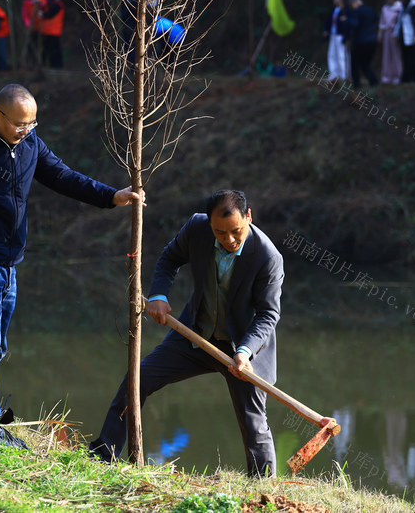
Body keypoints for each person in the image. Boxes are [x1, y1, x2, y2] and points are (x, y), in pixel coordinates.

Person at [0, 84, 143, 446]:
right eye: (19, 124)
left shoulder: (29, 144)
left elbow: (63, 176)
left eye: (31, 124)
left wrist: (111, 196)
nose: (26, 130)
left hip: (9, 264)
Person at [89, 190, 283, 477]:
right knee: (137, 379)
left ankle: (264, 486)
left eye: (236, 231)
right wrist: (158, 295)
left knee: (254, 422)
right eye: (220, 232)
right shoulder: (196, 228)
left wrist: (244, 352)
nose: (229, 239)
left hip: (243, 351)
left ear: (248, 217)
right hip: (195, 336)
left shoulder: (267, 257)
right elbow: (170, 258)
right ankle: (104, 454)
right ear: (209, 224)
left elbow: (268, 314)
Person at [347, 0, 379, 89]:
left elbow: (354, 24)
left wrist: (346, 21)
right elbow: (376, 18)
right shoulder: (370, 9)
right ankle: (375, 83)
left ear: (354, 3)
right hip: (372, 40)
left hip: (361, 41)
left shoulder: (356, 11)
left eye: (351, 6)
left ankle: (356, 86)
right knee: (365, 65)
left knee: (355, 65)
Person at [378, 0, 403, 84]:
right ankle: (386, 75)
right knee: (386, 54)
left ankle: (397, 75)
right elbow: (382, 22)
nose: (388, 0)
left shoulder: (399, 7)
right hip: (387, 33)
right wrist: (380, 34)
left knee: (396, 54)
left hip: (395, 32)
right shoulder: (385, 8)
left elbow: (400, 22)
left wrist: (395, 33)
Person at [323, 0, 349, 82]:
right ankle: (333, 74)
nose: (334, 0)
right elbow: (329, 21)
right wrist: (326, 30)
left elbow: (347, 23)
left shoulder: (345, 10)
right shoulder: (333, 10)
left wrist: (346, 35)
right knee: (332, 54)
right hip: (333, 35)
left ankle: (343, 75)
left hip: (340, 35)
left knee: (341, 55)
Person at [39, 0, 65, 68]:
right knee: (46, 49)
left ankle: (57, 66)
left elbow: (50, 14)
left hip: (54, 31)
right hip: (46, 31)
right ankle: (47, 65)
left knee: (55, 50)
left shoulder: (58, 4)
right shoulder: (49, 3)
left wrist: (43, 14)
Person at [21, 0, 46, 65]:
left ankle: (41, 63)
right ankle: (31, 62)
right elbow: (25, 15)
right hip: (32, 28)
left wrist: (38, 2)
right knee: (31, 45)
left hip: (42, 27)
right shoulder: (26, 2)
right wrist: (28, 25)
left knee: (41, 46)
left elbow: (44, 4)